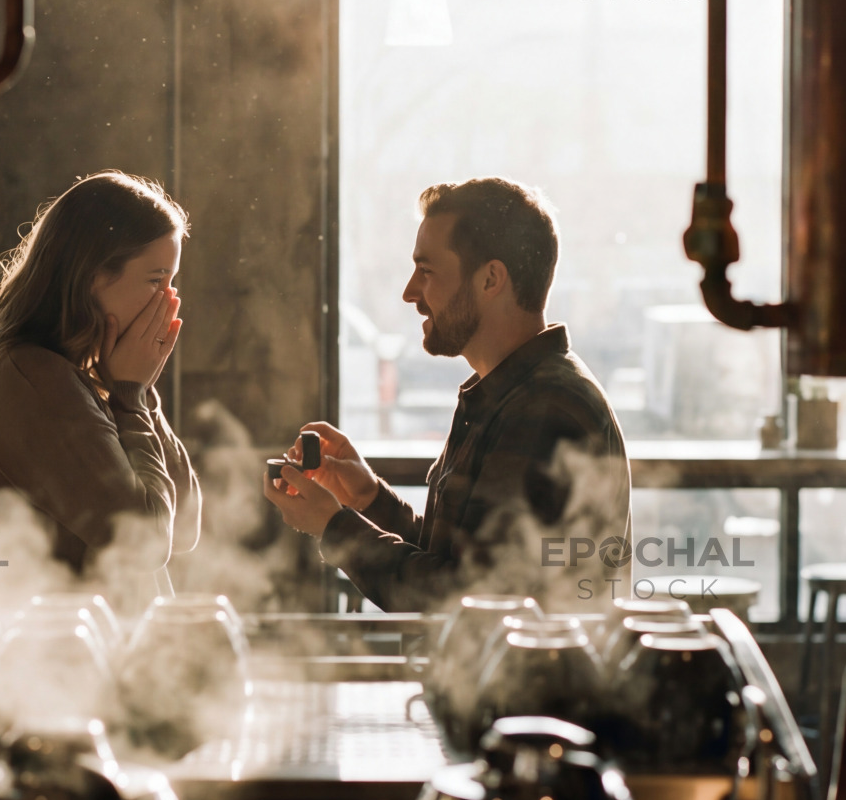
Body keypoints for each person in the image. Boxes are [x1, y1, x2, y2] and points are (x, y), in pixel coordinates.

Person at [264, 177, 630, 611]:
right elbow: (459, 561)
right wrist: (369, 500)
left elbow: (463, 600)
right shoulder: (512, 395)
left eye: (427, 271)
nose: (410, 293)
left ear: (490, 279)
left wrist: (335, 527)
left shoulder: (544, 409)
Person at [0, 171, 199, 602]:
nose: (168, 301)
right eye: (155, 280)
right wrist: (130, 398)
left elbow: (187, 527)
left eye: (171, 282)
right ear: (94, 275)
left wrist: (139, 395)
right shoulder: (31, 376)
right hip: (63, 641)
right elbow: (147, 542)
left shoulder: (89, 374)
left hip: (108, 640)